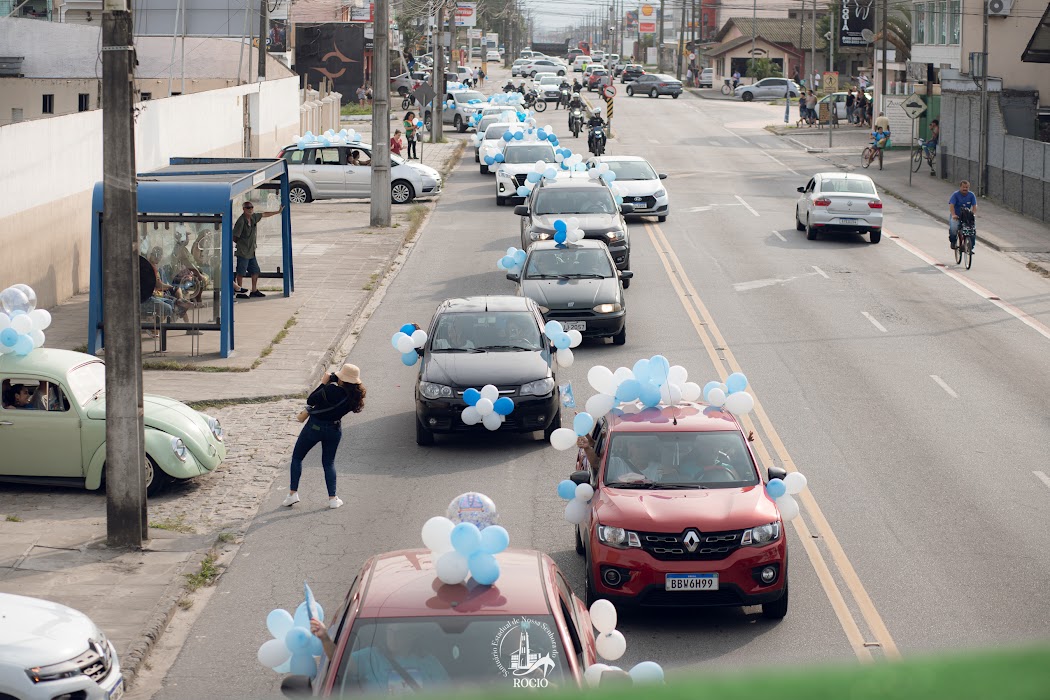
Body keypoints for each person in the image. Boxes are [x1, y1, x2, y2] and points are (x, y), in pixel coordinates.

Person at [285, 364, 366, 510]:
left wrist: (324, 382)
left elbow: (311, 400)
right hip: (334, 430)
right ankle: (333, 498)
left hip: (314, 427)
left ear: (341, 378)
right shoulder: (354, 396)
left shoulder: (329, 389)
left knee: (297, 457)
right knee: (328, 463)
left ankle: (292, 494)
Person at [310, 619, 449, 691]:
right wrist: (325, 639)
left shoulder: (429, 663)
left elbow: (448, 694)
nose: (392, 638)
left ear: (411, 636)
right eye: (390, 631)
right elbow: (341, 663)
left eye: (398, 633)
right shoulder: (372, 657)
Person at [233, 201, 282, 299]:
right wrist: (243, 243)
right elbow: (235, 237)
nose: (250, 209)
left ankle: (254, 290)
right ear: (243, 209)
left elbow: (264, 214)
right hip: (243, 252)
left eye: (251, 207)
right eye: (248, 208)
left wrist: (278, 212)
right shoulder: (241, 221)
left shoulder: (253, 217)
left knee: (255, 271)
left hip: (251, 251)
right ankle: (239, 290)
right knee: (241, 272)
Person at [576, 434, 661, 482]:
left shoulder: (659, 469)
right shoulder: (617, 463)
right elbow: (596, 464)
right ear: (629, 447)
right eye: (637, 445)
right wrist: (587, 448)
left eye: (645, 446)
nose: (641, 449)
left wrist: (673, 472)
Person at [948, 180, 978, 251]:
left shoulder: (971, 195)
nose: (965, 189)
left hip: (966, 216)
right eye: (963, 187)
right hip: (957, 216)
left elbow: (974, 205)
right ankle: (953, 241)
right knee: (953, 227)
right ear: (960, 187)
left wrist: (973, 214)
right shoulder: (955, 195)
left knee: (972, 231)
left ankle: (971, 247)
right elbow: (951, 205)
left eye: (966, 187)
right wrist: (953, 215)